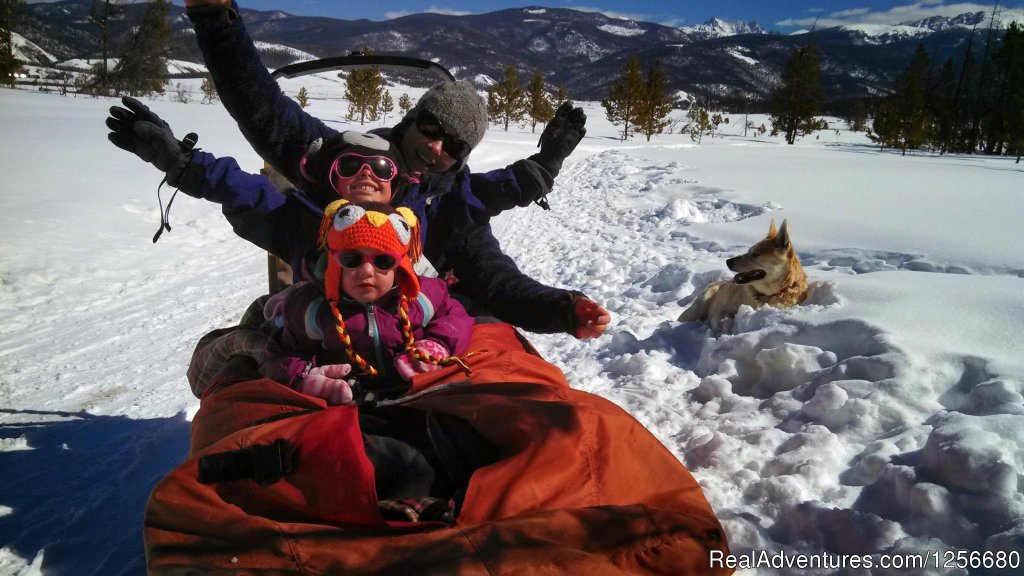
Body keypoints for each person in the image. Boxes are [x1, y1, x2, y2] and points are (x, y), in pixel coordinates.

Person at [177, 0, 609, 340]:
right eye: (431, 128)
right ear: (412, 119)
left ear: (461, 159)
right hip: (325, 315)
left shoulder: (450, 204)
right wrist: (216, 20)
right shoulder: (341, 160)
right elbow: (262, 109)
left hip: (413, 328)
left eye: (454, 146)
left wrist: (561, 308)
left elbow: (495, 279)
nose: (436, 147)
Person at [262, 199, 474, 405]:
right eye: (351, 259)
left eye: (383, 261)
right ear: (334, 263)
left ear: (401, 265)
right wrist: (304, 376)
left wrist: (437, 343)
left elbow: (455, 316)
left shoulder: (421, 295)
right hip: (350, 404)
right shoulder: (311, 308)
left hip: (418, 392)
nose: (366, 271)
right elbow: (279, 354)